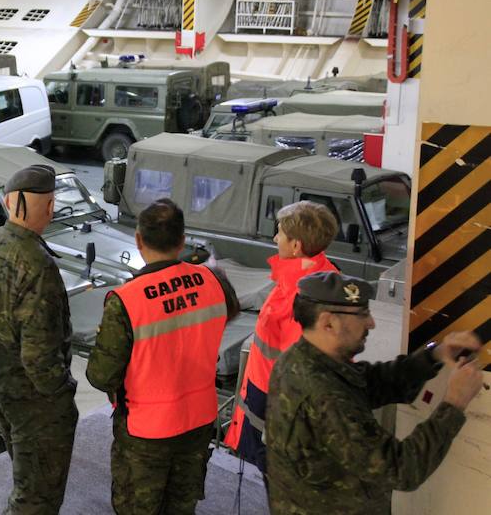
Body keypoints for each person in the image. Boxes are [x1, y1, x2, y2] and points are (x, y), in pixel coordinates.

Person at [266, 271, 484, 515]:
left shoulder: (301, 359)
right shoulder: (323, 395)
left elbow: (371, 382)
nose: (371, 323)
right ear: (328, 323)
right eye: (362, 314)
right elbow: (401, 469)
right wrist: (454, 403)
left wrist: (434, 355)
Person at [87, 198, 240, 514]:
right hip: (199, 419)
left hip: (147, 431)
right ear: (182, 241)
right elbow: (226, 314)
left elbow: (101, 375)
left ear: (138, 240)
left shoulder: (126, 300)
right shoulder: (214, 281)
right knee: (181, 505)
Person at [0, 164, 78, 515]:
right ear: (49, 206)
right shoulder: (38, 263)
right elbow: (39, 355)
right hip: (36, 399)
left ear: (9, 202)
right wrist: (63, 392)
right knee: (36, 500)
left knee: (26, 481)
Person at [224, 201, 338, 474]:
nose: (275, 239)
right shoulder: (319, 276)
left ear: (296, 245)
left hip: (276, 410)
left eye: (280, 234)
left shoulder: (303, 297)